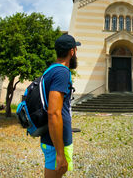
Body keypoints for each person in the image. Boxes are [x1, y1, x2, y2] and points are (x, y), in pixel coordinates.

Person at [40, 34, 80, 178]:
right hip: (55, 142)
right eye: (76, 50)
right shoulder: (62, 72)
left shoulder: (51, 70)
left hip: (54, 138)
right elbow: (54, 113)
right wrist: (60, 153)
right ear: (72, 51)